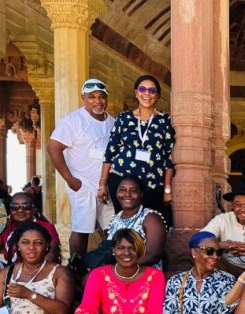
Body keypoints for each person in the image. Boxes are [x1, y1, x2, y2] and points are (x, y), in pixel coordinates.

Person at [48, 78, 116, 261]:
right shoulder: (72, 121)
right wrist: (71, 180)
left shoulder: (112, 122)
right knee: (82, 229)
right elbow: (53, 147)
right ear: (83, 98)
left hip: (106, 185)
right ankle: (75, 268)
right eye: (91, 97)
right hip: (83, 184)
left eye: (101, 97)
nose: (97, 101)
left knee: (115, 229)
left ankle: (110, 267)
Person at [101, 74, 175, 224]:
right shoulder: (124, 118)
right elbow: (110, 152)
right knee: (125, 224)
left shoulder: (165, 121)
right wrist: (102, 184)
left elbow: (169, 157)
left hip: (153, 183)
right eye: (142, 89)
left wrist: (167, 189)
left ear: (157, 95)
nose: (147, 93)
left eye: (152, 90)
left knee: (151, 224)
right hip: (122, 180)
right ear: (136, 93)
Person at [105, 176, 168, 269]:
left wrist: (123, 268)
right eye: (122, 190)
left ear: (141, 194)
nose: (127, 194)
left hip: (144, 273)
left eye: (133, 191)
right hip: (118, 271)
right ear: (116, 193)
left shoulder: (151, 218)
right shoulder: (115, 219)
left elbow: (154, 254)